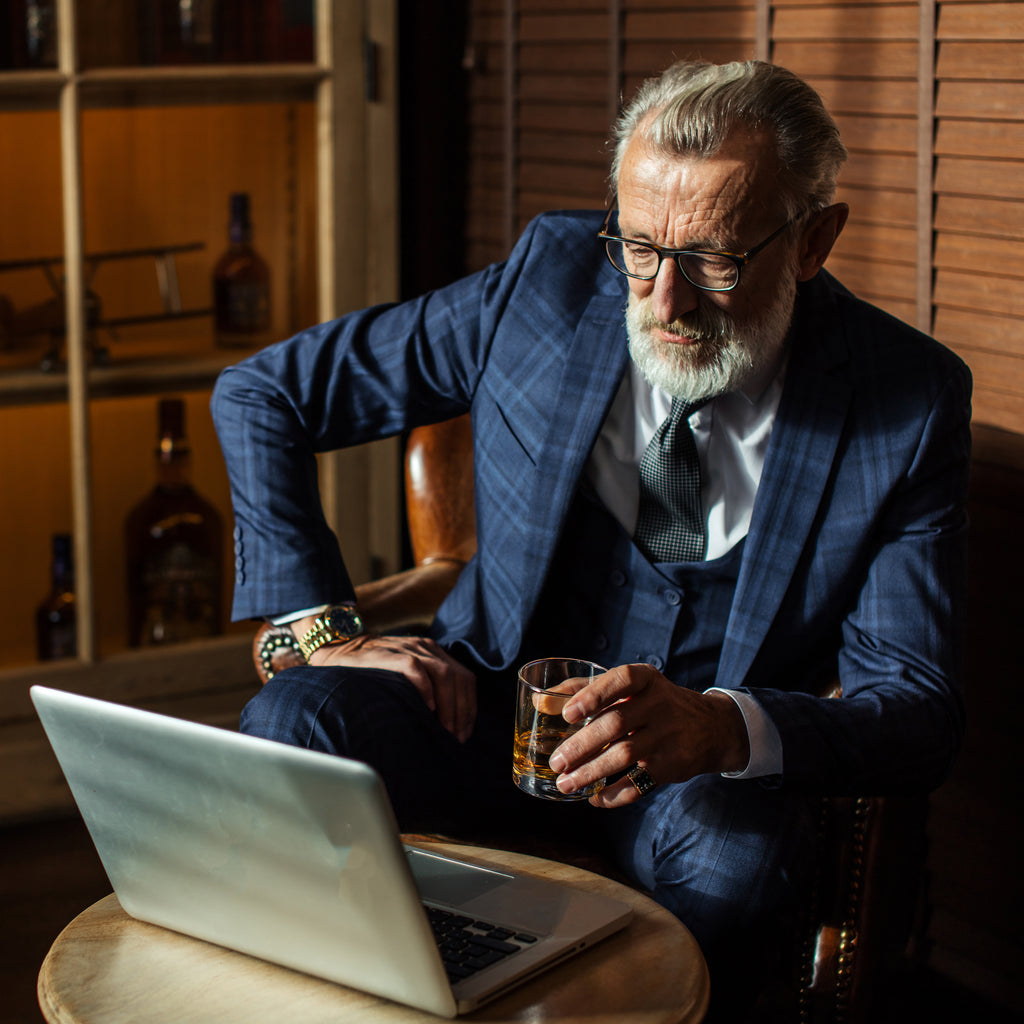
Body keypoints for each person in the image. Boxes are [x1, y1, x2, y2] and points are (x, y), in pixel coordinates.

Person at [212, 59, 971, 1016]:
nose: (664, 304)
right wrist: (321, 629)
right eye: (642, 249)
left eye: (716, 261)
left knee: (745, 860)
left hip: (690, 782)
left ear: (815, 239)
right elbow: (265, 393)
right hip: (480, 711)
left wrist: (724, 726)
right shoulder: (549, 281)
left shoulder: (904, 400)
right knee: (294, 728)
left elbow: (917, 706)